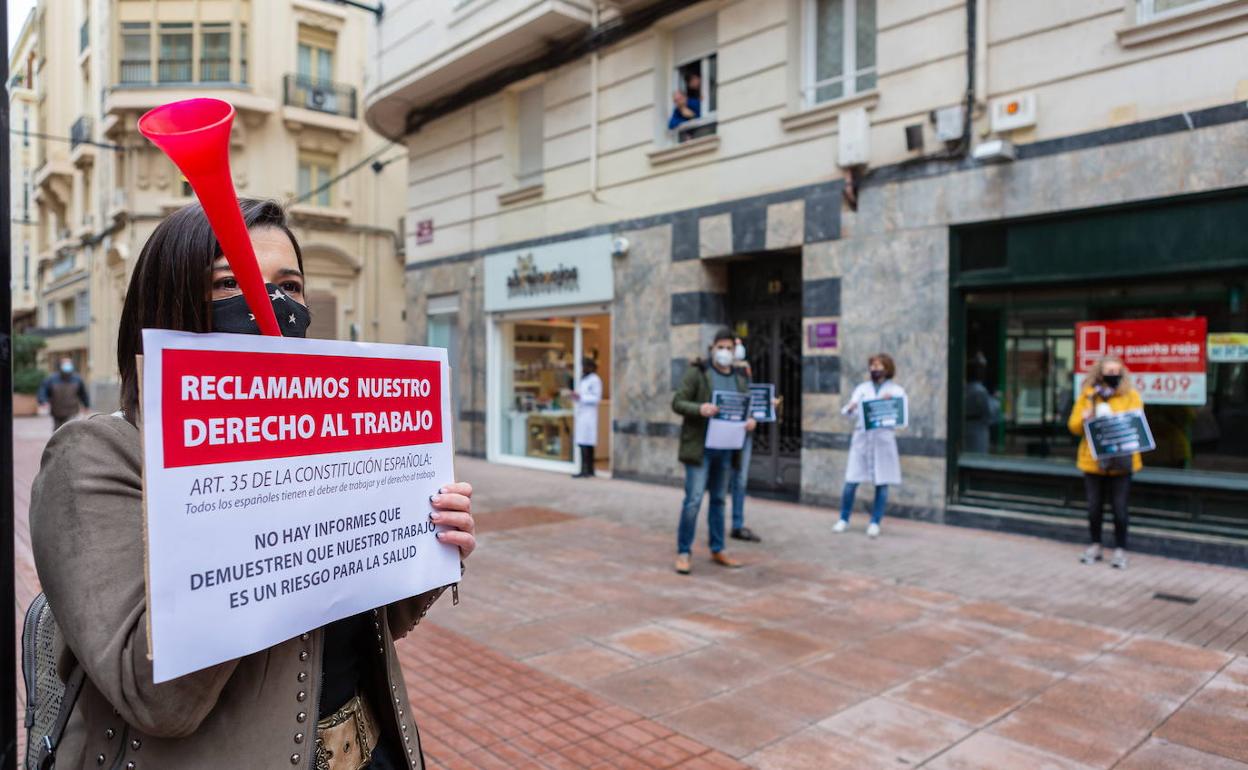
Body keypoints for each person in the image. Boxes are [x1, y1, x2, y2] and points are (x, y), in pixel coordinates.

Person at [28, 199, 477, 769]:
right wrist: (260, 492)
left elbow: (373, 620)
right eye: (228, 284)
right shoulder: (94, 457)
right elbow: (155, 698)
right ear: (167, 300)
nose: (272, 305)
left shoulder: (325, 441)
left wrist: (427, 545)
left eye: (289, 284)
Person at [671, 328, 756, 574]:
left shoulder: (740, 378)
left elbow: (746, 409)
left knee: (719, 500)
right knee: (694, 500)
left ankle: (718, 548)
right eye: (721, 347)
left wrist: (750, 421)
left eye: (729, 348)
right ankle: (684, 551)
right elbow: (678, 402)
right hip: (700, 448)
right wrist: (700, 409)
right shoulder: (698, 372)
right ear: (712, 349)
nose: (725, 352)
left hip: (727, 449)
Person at [1068, 355, 1142, 570]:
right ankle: (1095, 545)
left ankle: (1120, 549)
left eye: (1115, 371)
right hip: (1093, 461)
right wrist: (1084, 418)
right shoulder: (1088, 396)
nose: (1112, 376)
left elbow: (1134, 424)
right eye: (1108, 372)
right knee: (1094, 508)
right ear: (1099, 374)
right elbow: (1073, 427)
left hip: (1122, 462)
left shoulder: (1131, 396)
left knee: (1119, 509)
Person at [835, 353, 906, 538]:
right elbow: (848, 411)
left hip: (883, 440)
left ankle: (875, 522)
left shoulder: (897, 391)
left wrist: (890, 404)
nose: (875, 369)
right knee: (851, 481)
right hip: (862, 439)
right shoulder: (862, 388)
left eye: (879, 366)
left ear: (887, 368)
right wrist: (850, 407)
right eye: (872, 366)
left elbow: (902, 420)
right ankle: (843, 518)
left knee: (882, 482)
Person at [728, 336, 761, 543]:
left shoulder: (745, 372)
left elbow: (752, 400)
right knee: (720, 479)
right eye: (734, 345)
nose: (738, 349)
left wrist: (762, 411)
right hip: (722, 433)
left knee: (740, 480)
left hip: (743, 434)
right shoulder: (714, 372)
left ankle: (737, 524)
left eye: (740, 344)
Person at [37, 357, 90, 430]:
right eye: (65, 364)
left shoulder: (77, 379)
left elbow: (83, 393)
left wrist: (86, 405)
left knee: (70, 430)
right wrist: (43, 401)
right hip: (57, 411)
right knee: (58, 431)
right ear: (60, 366)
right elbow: (43, 391)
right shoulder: (52, 379)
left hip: (72, 411)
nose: (67, 366)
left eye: (69, 364)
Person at [571, 357, 602, 478]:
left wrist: (581, 398)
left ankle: (587, 470)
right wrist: (575, 397)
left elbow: (596, 398)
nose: (583, 369)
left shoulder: (595, 380)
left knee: (587, 443)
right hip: (582, 414)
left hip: (589, 415)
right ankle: (587, 469)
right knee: (582, 442)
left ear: (590, 367)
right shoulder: (584, 380)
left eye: (584, 366)